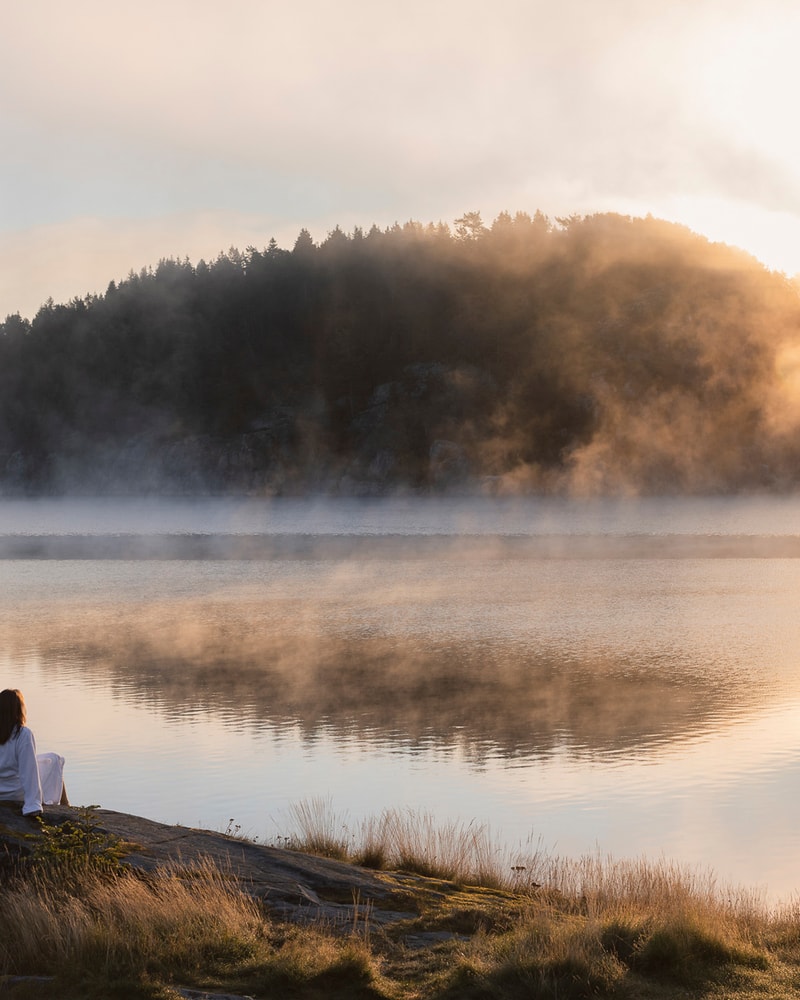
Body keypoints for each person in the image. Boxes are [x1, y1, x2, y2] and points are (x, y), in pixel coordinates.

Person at [0, 688, 68, 817]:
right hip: (14, 792)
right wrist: (33, 805)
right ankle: (67, 806)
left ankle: (67, 805)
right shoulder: (22, 734)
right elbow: (29, 772)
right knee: (54, 762)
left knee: (52, 759)